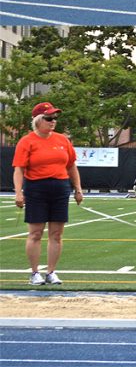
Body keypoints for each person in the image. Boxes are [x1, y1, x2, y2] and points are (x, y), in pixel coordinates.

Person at [12, 101, 84, 286]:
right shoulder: (27, 141)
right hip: (36, 188)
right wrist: (18, 192)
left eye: (55, 118)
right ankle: (35, 273)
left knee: (57, 234)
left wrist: (78, 189)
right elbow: (19, 169)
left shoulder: (62, 140)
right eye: (49, 118)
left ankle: (51, 272)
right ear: (37, 120)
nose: (53, 121)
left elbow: (71, 166)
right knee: (35, 233)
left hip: (60, 187)